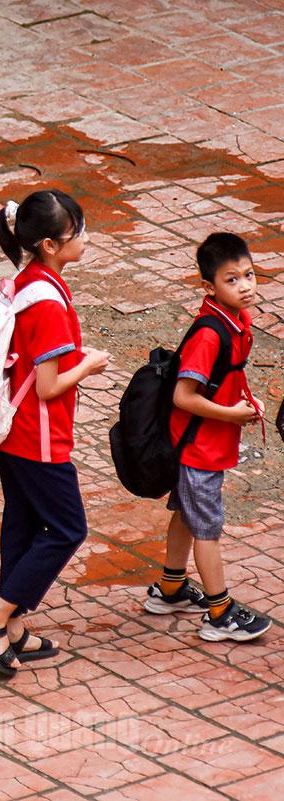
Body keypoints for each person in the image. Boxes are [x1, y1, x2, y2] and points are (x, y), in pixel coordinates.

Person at [0, 190, 109, 676]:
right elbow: (48, 387)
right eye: (76, 232)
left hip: (14, 432)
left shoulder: (30, 280)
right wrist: (88, 364)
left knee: (22, 524)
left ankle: (13, 629)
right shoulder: (47, 303)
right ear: (48, 243)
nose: (84, 238)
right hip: (39, 437)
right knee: (67, 528)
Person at [142, 232, 271, 642]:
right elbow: (184, 397)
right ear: (209, 287)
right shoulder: (210, 333)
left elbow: (226, 377)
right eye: (231, 279)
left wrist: (245, 402)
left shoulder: (236, 322)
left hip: (204, 444)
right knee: (208, 528)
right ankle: (220, 613)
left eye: (249, 274)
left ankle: (171, 588)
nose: (245, 286)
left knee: (185, 513)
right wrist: (231, 414)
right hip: (198, 448)